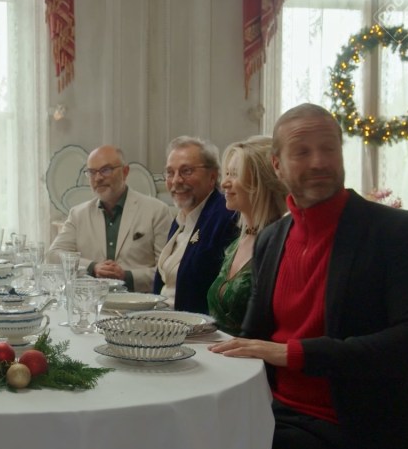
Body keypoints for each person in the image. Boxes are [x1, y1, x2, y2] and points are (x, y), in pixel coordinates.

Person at [209, 103, 408, 449]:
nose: (319, 161)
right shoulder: (273, 238)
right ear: (278, 165)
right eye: (302, 152)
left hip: (354, 434)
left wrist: (296, 353)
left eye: (329, 148)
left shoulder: (396, 232)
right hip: (275, 412)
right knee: (180, 442)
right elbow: (252, 339)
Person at [46, 145, 172, 293]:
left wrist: (127, 276)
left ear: (125, 172)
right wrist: (92, 267)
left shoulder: (157, 211)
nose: (98, 178)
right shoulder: (78, 214)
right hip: (91, 300)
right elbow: (53, 256)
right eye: (91, 172)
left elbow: (168, 271)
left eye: (106, 170)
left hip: (140, 301)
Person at [206, 136, 287, 335]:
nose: (224, 183)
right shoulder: (235, 244)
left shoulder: (282, 245)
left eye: (235, 174)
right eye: (226, 173)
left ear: (261, 183)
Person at [153, 136, 238, 313]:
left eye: (186, 171)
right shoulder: (181, 218)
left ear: (212, 176)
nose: (176, 181)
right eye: (170, 173)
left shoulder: (225, 217)